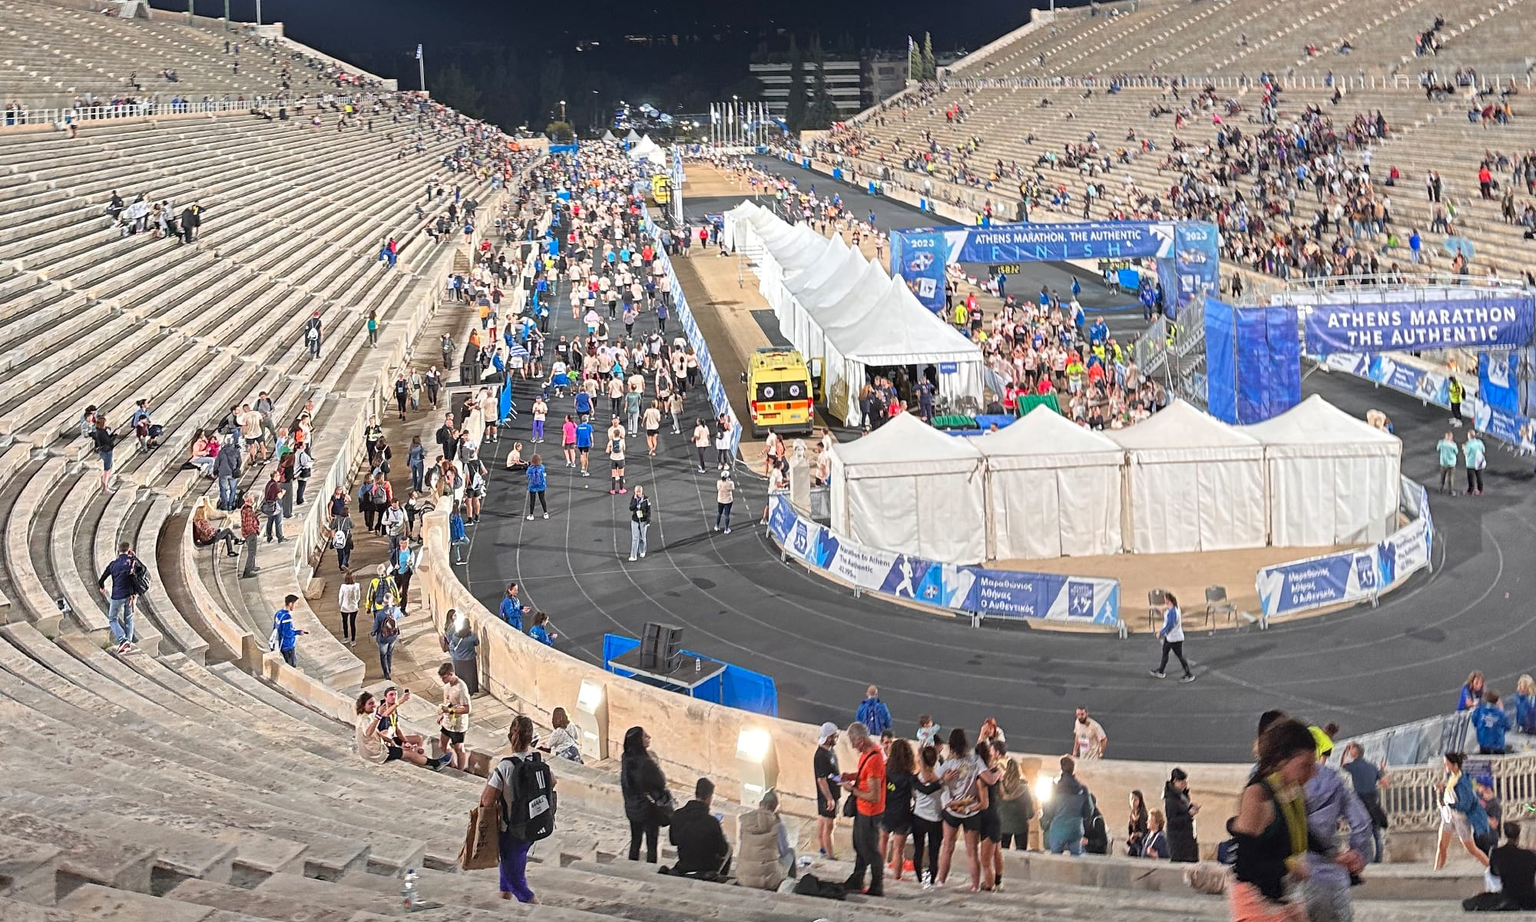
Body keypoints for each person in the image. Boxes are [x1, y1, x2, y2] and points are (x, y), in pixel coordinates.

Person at [1230, 718, 1332, 921]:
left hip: (1284, 898)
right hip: (1257, 904)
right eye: (1305, 766)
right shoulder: (1257, 796)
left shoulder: (1291, 791)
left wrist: (1333, 854)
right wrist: (1288, 866)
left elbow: (1302, 833)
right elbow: (1245, 867)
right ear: (1280, 760)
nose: (1312, 774)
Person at [1303, 728, 1372, 922]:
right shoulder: (1332, 779)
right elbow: (1361, 823)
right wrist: (1359, 859)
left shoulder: (1267, 779)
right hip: (1328, 878)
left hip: (1288, 883)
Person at [480, 715, 549, 903]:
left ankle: (541, 913)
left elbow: (486, 800)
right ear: (531, 738)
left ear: (511, 736)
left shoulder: (505, 766)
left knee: (518, 885)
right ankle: (504, 898)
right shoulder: (536, 760)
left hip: (511, 832)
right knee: (509, 875)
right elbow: (553, 781)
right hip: (532, 825)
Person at [841, 720, 886, 897]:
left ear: (860, 741)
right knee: (860, 846)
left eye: (853, 743)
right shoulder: (867, 754)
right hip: (863, 810)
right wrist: (850, 776)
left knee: (870, 850)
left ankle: (877, 886)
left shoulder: (874, 760)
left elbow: (874, 796)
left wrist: (851, 789)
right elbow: (864, 776)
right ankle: (857, 880)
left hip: (870, 812)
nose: (853, 747)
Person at [354, 689, 450, 769]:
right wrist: (379, 715)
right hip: (375, 753)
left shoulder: (365, 716)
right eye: (370, 704)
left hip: (374, 748)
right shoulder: (366, 718)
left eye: (374, 703)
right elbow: (369, 733)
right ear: (363, 706)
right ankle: (435, 764)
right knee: (408, 753)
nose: (374, 706)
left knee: (414, 742)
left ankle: (421, 757)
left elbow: (383, 731)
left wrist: (391, 740)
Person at [620, 726, 669, 863]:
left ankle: (632, 864)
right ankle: (651, 869)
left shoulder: (626, 758)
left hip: (632, 808)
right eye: (645, 736)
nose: (649, 737)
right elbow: (661, 782)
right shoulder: (646, 763)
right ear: (638, 741)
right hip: (648, 810)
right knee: (651, 843)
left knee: (635, 839)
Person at [1464, 820, 1536, 911]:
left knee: (1479, 900)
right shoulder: (1530, 854)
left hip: (1508, 895)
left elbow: (1494, 873)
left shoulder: (1497, 853)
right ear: (1519, 835)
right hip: (1529, 898)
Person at [1437, 751, 1492, 870]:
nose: (1445, 766)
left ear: (1455, 765)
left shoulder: (1463, 782)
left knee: (1472, 849)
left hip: (1460, 818)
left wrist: (1451, 805)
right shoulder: (1451, 777)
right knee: (1441, 845)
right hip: (1449, 816)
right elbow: (1452, 792)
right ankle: (1437, 870)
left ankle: (1492, 868)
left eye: (1447, 764)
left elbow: (1465, 804)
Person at [669, 777, 732, 879]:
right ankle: (719, 877)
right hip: (706, 866)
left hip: (684, 863)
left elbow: (673, 841)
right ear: (709, 798)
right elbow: (722, 850)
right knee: (730, 848)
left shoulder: (678, 814)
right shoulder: (712, 822)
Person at [1340, 742, 1390, 863]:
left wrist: (1345, 751)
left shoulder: (1353, 766)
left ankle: (1362, 858)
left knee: (1359, 829)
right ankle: (1378, 858)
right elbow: (1385, 783)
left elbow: (1342, 764)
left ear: (1355, 753)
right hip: (1373, 799)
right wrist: (1382, 770)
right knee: (1375, 831)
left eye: (1351, 750)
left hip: (1360, 800)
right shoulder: (1371, 766)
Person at [737, 790, 794, 891]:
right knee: (790, 853)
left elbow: (742, 839)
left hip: (743, 877)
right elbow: (783, 851)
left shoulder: (746, 821)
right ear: (775, 808)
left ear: (760, 804)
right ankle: (790, 887)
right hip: (767, 880)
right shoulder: (777, 825)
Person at [96, 542, 142, 654]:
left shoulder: (113, 564)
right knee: (129, 618)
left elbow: (101, 580)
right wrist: (134, 556)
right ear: (129, 550)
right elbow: (141, 571)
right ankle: (128, 643)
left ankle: (123, 640)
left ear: (118, 551)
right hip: (130, 595)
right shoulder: (133, 562)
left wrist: (102, 588)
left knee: (112, 619)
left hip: (117, 595)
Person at [881, 738, 917, 884]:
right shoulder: (910, 777)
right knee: (898, 848)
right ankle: (897, 875)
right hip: (902, 814)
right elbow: (916, 796)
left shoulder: (885, 771)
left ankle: (879, 871)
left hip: (885, 812)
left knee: (882, 842)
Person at [1044, 755, 1094, 856]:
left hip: (1058, 829)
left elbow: (1048, 810)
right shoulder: (1082, 789)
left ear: (1061, 768)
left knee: (1055, 859)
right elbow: (1089, 811)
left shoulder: (1055, 788)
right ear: (1073, 769)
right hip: (1076, 829)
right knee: (1076, 858)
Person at [996, 744, 1035, 852]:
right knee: (1021, 853)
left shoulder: (999, 788)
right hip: (1021, 827)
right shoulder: (1024, 789)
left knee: (1002, 852)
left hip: (1002, 826)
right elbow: (1030, 813)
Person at [1150, 592, 1194, 681]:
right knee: (1165, 652)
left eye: (1165, 599)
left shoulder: (1172, 612)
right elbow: (1168, 613)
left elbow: (1170, 624)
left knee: (1179, 656)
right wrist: (1161, 611)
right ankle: (1161, 671)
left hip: (1174, 638)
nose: (1164, 600)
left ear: (1168, 600)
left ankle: (1189, 674)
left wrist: (1160, 632)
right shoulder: (1174, 608)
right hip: (1170, 637)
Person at [813, 722, 840, 859]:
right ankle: (830, 855)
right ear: (829, 737)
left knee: (823, 821)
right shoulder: (821, 756)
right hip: (827, 796)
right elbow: (822, 779)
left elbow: (832, 774)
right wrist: (829, 798)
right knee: (829, 825)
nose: (836, 739)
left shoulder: (830, 751)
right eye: (834, 736)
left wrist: (842, 781)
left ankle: (824, 849)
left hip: (832, 793)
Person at [437, 662, 471, 771]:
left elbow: (467, 708)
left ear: (451, 674)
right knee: (442, 745)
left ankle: (460, 771)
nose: (443, 680)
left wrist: (450, 710)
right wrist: (442, 714)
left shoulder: (461, 688)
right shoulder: (447, 687)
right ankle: (452, 764)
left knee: (459, 749)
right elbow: (446, 701)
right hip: (447, 721)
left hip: (458, 723)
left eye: (445, 677)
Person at [1164, 768, 1200, 862]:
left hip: (1188, 836)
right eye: (1182, 783)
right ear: (1175, 781)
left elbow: (1184, 809)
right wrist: (1189, 815)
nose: (1185, 785)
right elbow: (1172, 821)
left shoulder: (1182, 796)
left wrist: (1192, 807)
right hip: (1178, 840)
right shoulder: (1170, 799)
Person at [443, 612, 480, 694]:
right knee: (471, 676)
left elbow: (452, 645)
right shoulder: (472, 636)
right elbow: (476, 643)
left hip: (458, 660)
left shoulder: (456, 636)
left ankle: (462, 690)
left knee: (461, 676)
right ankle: (471, 691)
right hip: (469, 659)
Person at [270, 594, 307, 668]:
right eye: (295, 604)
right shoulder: (287, 617)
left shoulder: (278, 613)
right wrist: (298, 632)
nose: (296, 606)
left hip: (280, 644)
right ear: (290, 604)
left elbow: (275, 627)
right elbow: (287, 633)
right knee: (291, 665)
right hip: (287, 646)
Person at [336, 569, 360, 647]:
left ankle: (346, 637)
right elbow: (358, 597)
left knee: (345, 623)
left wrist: (341, 605)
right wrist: (355, 603)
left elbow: (340, 597)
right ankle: (353, 640)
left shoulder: (343, 587)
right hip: (353, 607)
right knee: (352, 624)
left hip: (344, 607)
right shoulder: (356, 586)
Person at [628, 485, 652, 561]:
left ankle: (642, 550)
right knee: (635, 538)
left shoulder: (646, 500)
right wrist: (635, 501)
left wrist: (648, 520)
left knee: (642, 537)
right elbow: (631, 508)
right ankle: (633, 555)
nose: (638, 493)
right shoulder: (633, 498)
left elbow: (649, 511)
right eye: (636, 492)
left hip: (643, 520)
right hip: (635, 519)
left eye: (639, 492)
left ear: (642, 492)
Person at [1126, 790, 1150, 857]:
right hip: (1134, 843)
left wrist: (1136, 834)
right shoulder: (1132, 813)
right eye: (1131, 799)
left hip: (1141, 844)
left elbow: (1145, 832)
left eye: (1135, 799)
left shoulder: (1142, 814)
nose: (1133, 802)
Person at [525, 452, 548, 520]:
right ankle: (545, 513)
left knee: (532, 500)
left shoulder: (530, 468)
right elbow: (544, 474)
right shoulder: (542, 467)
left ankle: (531, 515)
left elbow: (528, 475)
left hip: (532, 486)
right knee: (542, 499)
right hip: (541, 485)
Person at [1464, 430, 1487, 496]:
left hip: (1470, 463)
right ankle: (1480, 490)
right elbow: (1483, 450)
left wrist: (1463, 448)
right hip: (1479, 462)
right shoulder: (1480, 442)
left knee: (1471, 478)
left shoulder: (1468, 444)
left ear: (1469, 436)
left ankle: (1470, 491)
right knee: (1479, 477)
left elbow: (1466, 453)